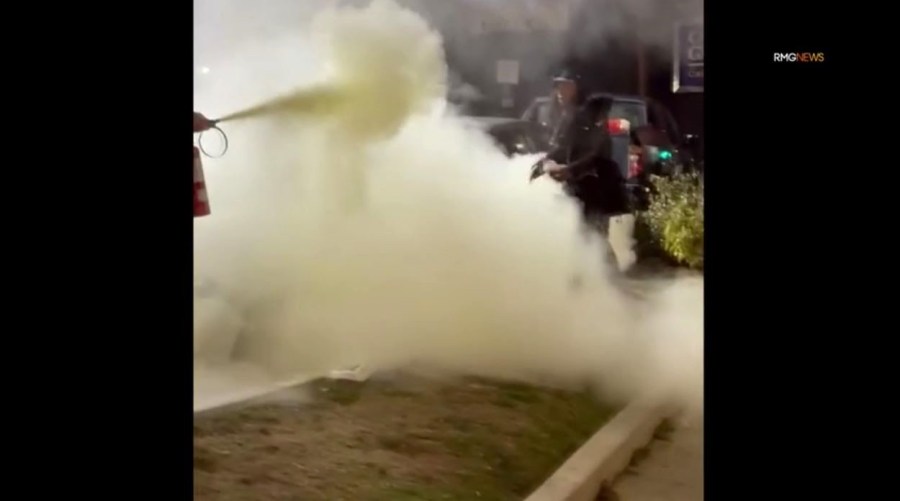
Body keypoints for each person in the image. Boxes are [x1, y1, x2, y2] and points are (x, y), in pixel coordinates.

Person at [541, 95, 630, 273]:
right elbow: (565, 150)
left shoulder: (597, 129)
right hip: (583, 190)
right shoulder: (579, 125)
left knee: (594, 233)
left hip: (594, 190)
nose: (606, 115)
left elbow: (593, 156)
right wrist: (548, 162)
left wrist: (568, 169)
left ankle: (603, 274)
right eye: (604, 111)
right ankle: (593, 274)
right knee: (586, 233)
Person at [521, 69, 583, 149]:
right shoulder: (539, 106)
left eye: (567, 87)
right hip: (537, 154)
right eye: (560, 86)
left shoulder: (578, 114)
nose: (562, 91)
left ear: (574, 90)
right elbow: (522, 129)